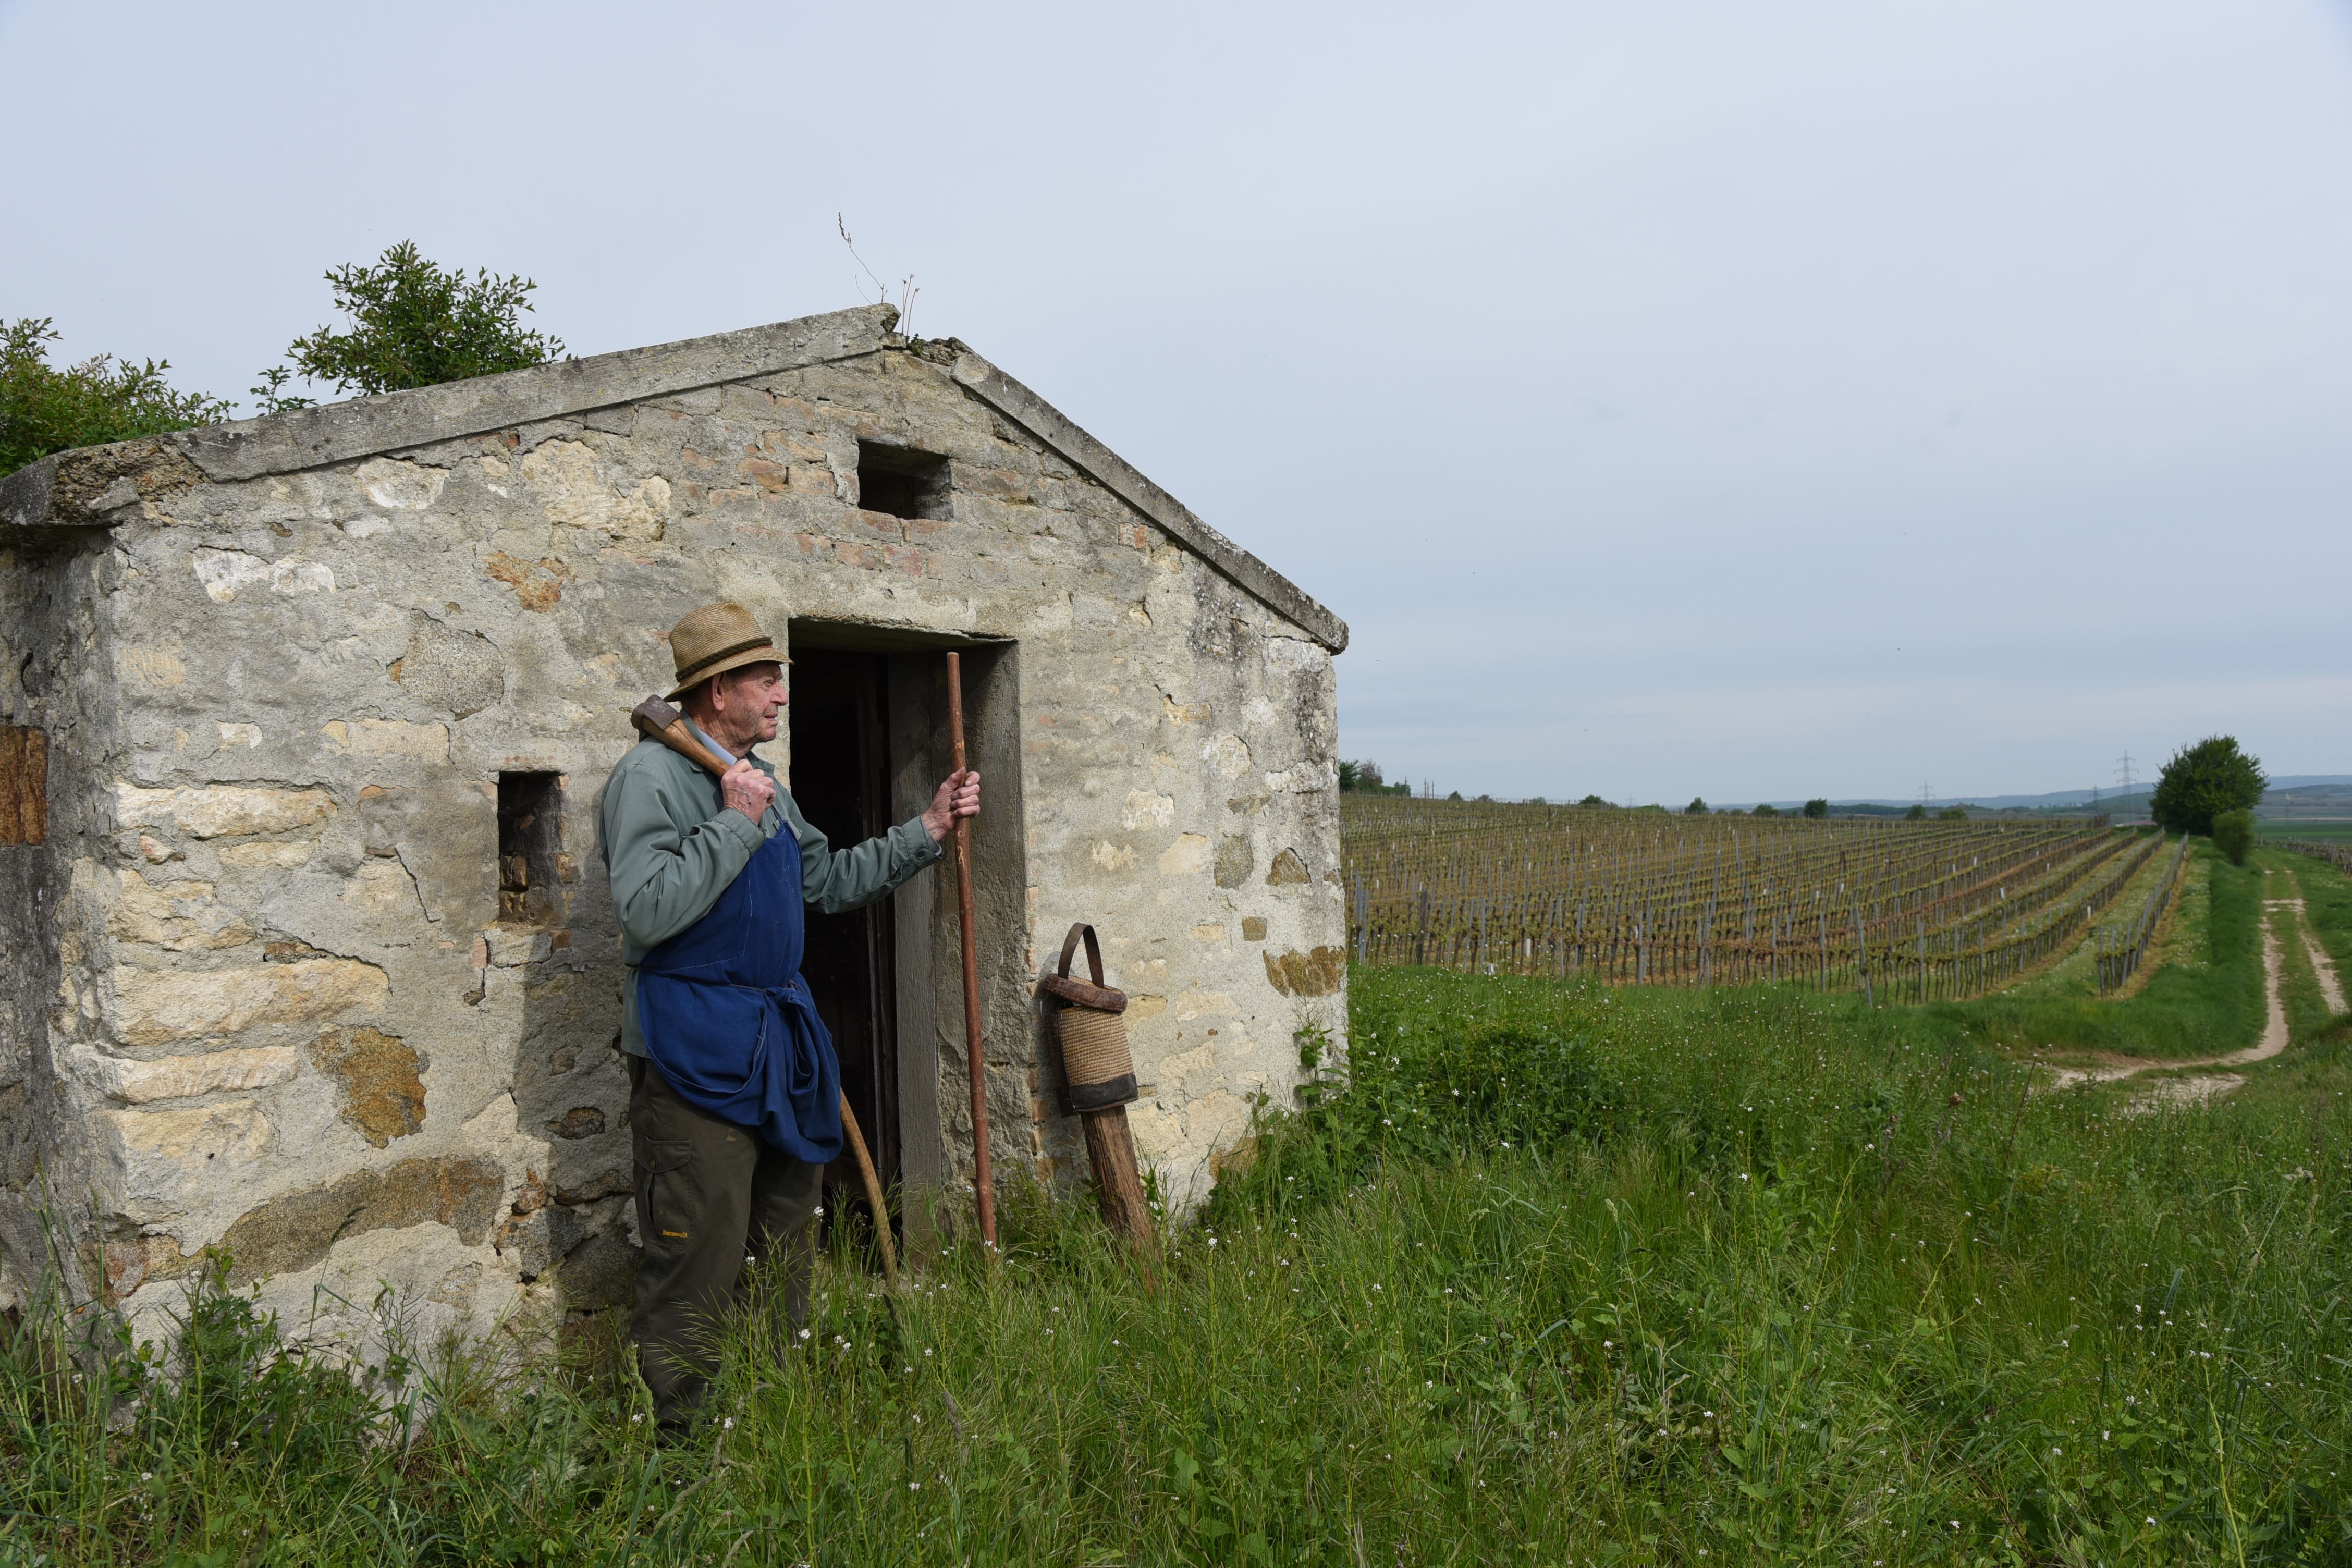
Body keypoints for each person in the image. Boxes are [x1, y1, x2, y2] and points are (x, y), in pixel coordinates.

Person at [597, 602, 979, 1431]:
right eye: (766, 681)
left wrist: (928, 828)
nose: (780, 697)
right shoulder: (651, 780)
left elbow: (828, 882)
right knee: (696, 1254)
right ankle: (688, 1457)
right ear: (717, 689)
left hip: (775, 1042)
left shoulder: (766, 783)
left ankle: (779, 1423)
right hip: (691, 1046)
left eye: (780, 682)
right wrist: (733, 820)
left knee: (786, 1243)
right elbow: (648, 912)